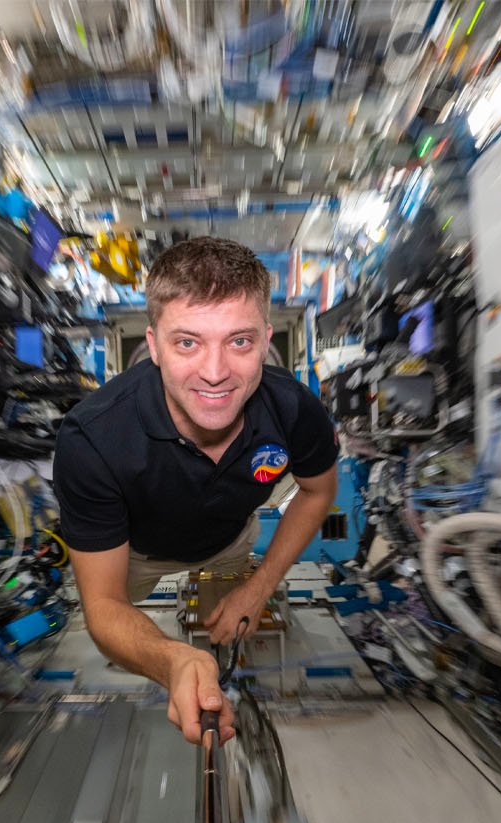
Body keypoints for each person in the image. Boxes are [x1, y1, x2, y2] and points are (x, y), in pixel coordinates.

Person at [51, 237, 339, 745]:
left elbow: (317, 492)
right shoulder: (92, 439)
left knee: (230, 620)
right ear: (155, 344)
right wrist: (171, 661)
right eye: (188, 342)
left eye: (240, 342)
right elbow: (104, 604)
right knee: (114, 636)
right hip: (137, 554)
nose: (214, 372)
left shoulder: (294, 410)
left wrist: (259, 585)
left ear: (266, 338)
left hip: (229, 540)